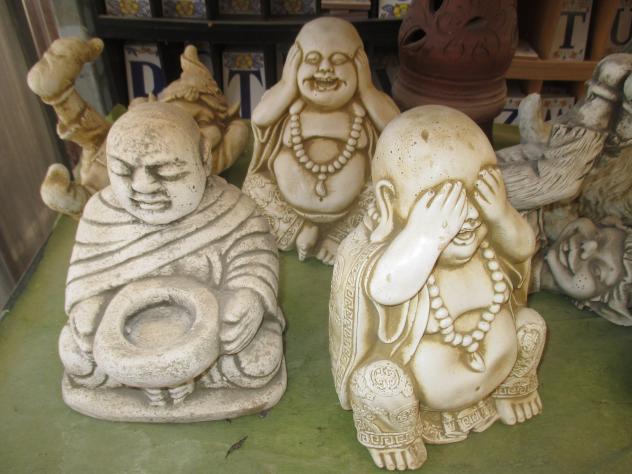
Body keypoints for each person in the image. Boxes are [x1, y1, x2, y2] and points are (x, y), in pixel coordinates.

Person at [330, 106, 546, 471]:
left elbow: (523, 247)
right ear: (389, 201)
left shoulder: (487, 239)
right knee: (379, 382)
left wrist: (501, 215)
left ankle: (513, 388)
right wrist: (425, 238)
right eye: (445, 200)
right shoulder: (386, 255)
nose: (470, 214)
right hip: (422, 394)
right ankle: (393, 433)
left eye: (481, 190)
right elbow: (385, 288)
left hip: (497, 370)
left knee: (531, 325)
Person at [59, 103, 284, 416]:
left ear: (204, 158)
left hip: (212, 335)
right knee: (76, 355)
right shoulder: (102, 213)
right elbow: (87, 276)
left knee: (259, 361)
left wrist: (249, 299)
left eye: (164, 171)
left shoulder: (233, 209)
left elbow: (254, 259)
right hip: (126, 335)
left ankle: (197, 375)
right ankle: (144, 379)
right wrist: (89, 308)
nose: (142, 186)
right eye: (123, 171)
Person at [242, 17, 399, 264]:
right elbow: (260, 119)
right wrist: (287, 84)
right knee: (254, 187)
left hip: (351, 211)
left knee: (386, 194)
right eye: (313, 59)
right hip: (288, 209)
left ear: (360, 67)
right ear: (294, 64)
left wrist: (367, 89)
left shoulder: (366, 106)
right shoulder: (286, 103)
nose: (325, 68)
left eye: (339, 60)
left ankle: (340, 236)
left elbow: (397, 131)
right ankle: (299, 231)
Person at [532, 217, 632, 326]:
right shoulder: (534, 221)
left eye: (596, 271)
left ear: (607, 309)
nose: (587, 247)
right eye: (598, 237)